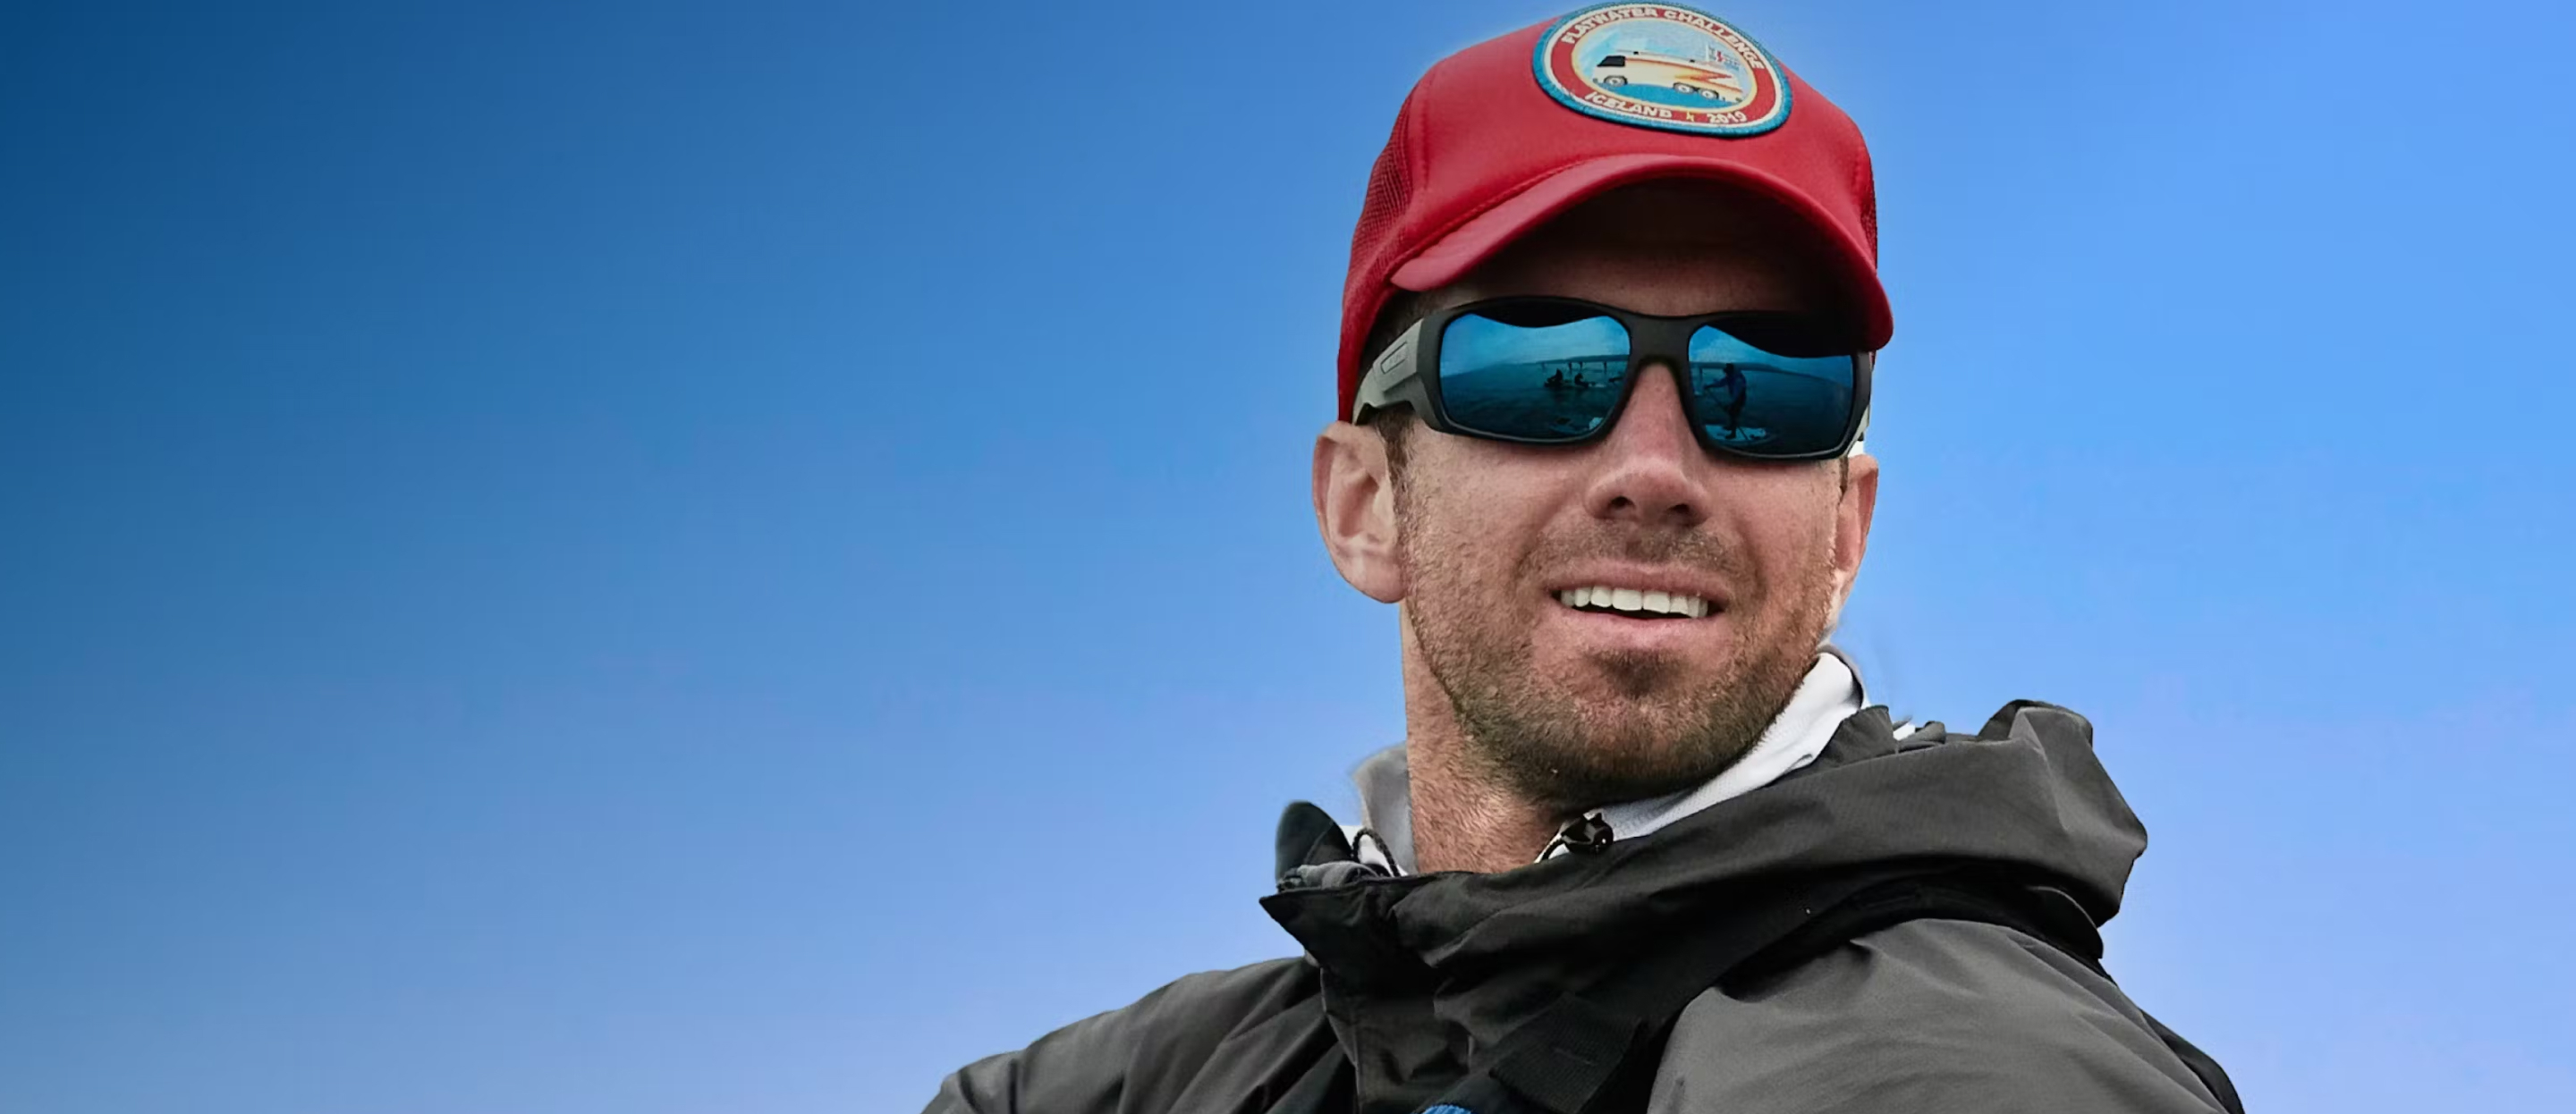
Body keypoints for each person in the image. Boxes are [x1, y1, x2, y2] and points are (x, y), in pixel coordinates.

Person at [922, 6, 2238, 1112]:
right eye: (1543, 371)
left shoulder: (1969, 1078)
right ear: (1363, 501)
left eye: (1760, 385)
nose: (1657, 470)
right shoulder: (1092, 1093)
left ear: (1845, 528)